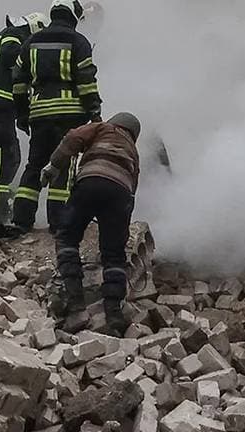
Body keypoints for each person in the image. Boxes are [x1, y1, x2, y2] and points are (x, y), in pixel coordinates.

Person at [12, 0, 101, 233]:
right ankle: (58, 221)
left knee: (35, 165)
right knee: (63, 165)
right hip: (70, 115)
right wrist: (95, 112)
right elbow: (86, 80)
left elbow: (18, 82)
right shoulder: (79, 42)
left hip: (39, 113)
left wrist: (21, 114)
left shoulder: (31, 42)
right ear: (73, 14)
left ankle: (21, 220)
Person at [46, 112, 142, 335]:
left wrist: (54, 165)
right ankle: (113, 313)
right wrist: (118, 226)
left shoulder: (102, 128)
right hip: (120, 193)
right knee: (114, 255)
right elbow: (133, 189)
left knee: (67, 237)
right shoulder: (133, 151)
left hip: (90, 182)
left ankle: (75, 300)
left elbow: (73, 137)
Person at [0, 13, 42, 233]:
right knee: (0, 161)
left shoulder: (2, 36)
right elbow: (12, 55)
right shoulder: (13, 35)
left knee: (12, 157)